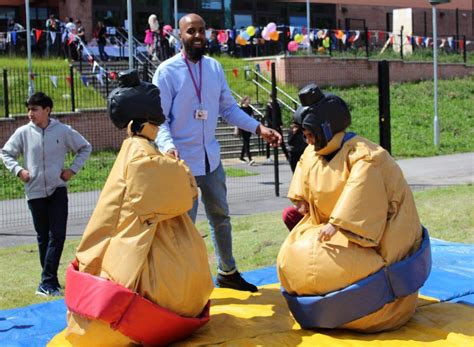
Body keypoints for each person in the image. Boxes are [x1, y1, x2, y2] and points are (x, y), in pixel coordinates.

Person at [63, 70, 213, 346]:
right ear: (142, 121)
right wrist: (182, 170)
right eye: (155, 119)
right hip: (146, 268)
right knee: (174, 288)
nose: (159, 124)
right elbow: (181, 194)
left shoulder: (133, 150)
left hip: (137, 235)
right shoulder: (142, 157)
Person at [277, 83, 430, 332]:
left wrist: (337, 223)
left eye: (309, 133)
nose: (306, 139)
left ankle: (368, 299)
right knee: (297, 251)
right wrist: (302, 200)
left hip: (379, 249)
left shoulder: (366, 157)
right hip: (342, 237)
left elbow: (362, 193)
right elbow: (305, 171)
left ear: (325, 128)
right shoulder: (314, 153)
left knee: (310, 258)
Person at [153, 13, 281, 293]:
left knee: (220, 218)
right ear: (180, 35)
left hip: (211, 161)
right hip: (181, 165)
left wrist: (259, 128)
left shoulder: (214, 68)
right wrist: (167, 146)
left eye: (201, 31)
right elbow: (159, 119)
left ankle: (227, 272)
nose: (198, 36)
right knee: (183, 230)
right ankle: (184, 286)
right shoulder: (166, 71)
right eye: (191, 31)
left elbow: (228, 109)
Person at [0, 92, 91, 297]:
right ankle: (50, 282)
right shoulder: (23, 132)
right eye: (28, 109)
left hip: (57, 189)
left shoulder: (63, 130)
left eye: (34, 109)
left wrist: (72, 170)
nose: (30, 113)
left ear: (47, 110)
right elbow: (5, 152)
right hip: (34, 192)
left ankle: (46, 282)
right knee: (43, 238)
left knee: (57, 236)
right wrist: (19, 171)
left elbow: (85, 147)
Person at [238, 96, 255, 165]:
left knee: (246, 142)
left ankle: (241, 157)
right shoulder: (241, 109)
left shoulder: (250, 109)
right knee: (246, 143)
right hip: (242, 127)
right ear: (244, 101)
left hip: (249, 127)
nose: (249, 101)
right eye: (248, 100)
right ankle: (250, 159)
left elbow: (252, 117)